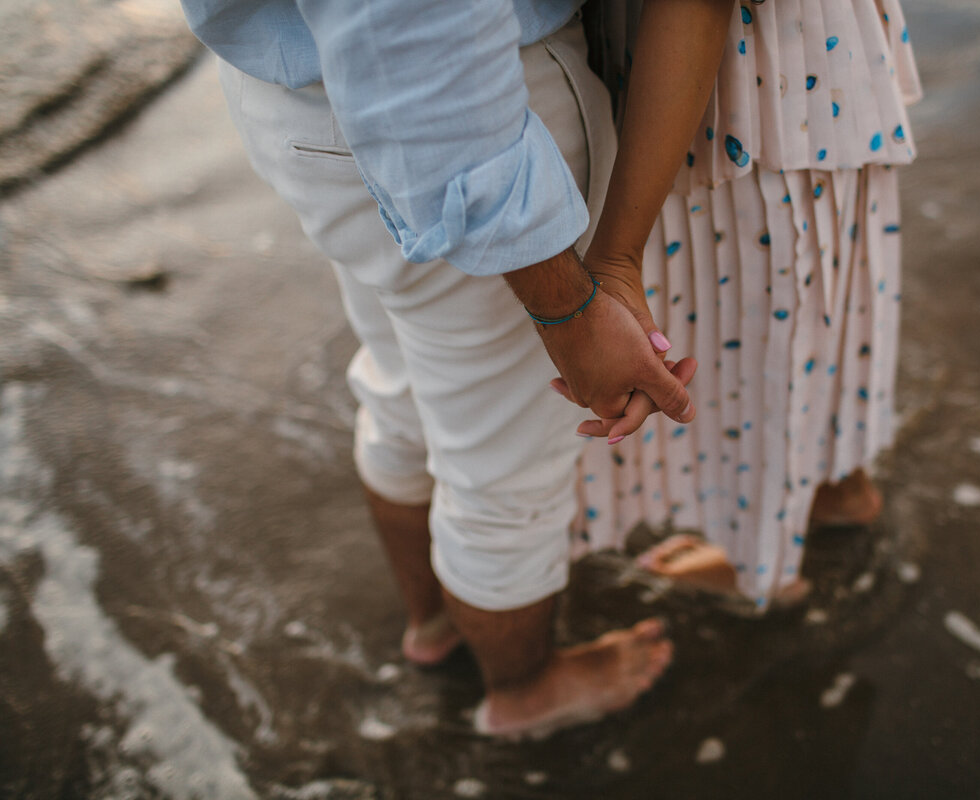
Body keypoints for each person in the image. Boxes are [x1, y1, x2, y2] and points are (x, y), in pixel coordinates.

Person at [179, 0, 699, 738]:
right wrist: (565, 307)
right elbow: (417, 33)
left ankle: (432, 623)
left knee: (401, 381)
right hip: (479, 115)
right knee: (506, 463)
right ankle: (524, 689)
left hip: (292, 97)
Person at [569, 0, 923, 610]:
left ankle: (764, 569)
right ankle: (837, 489)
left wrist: (616, 257)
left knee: (769, 331)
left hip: (746, 87)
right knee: (818, 308)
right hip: (817, 63)